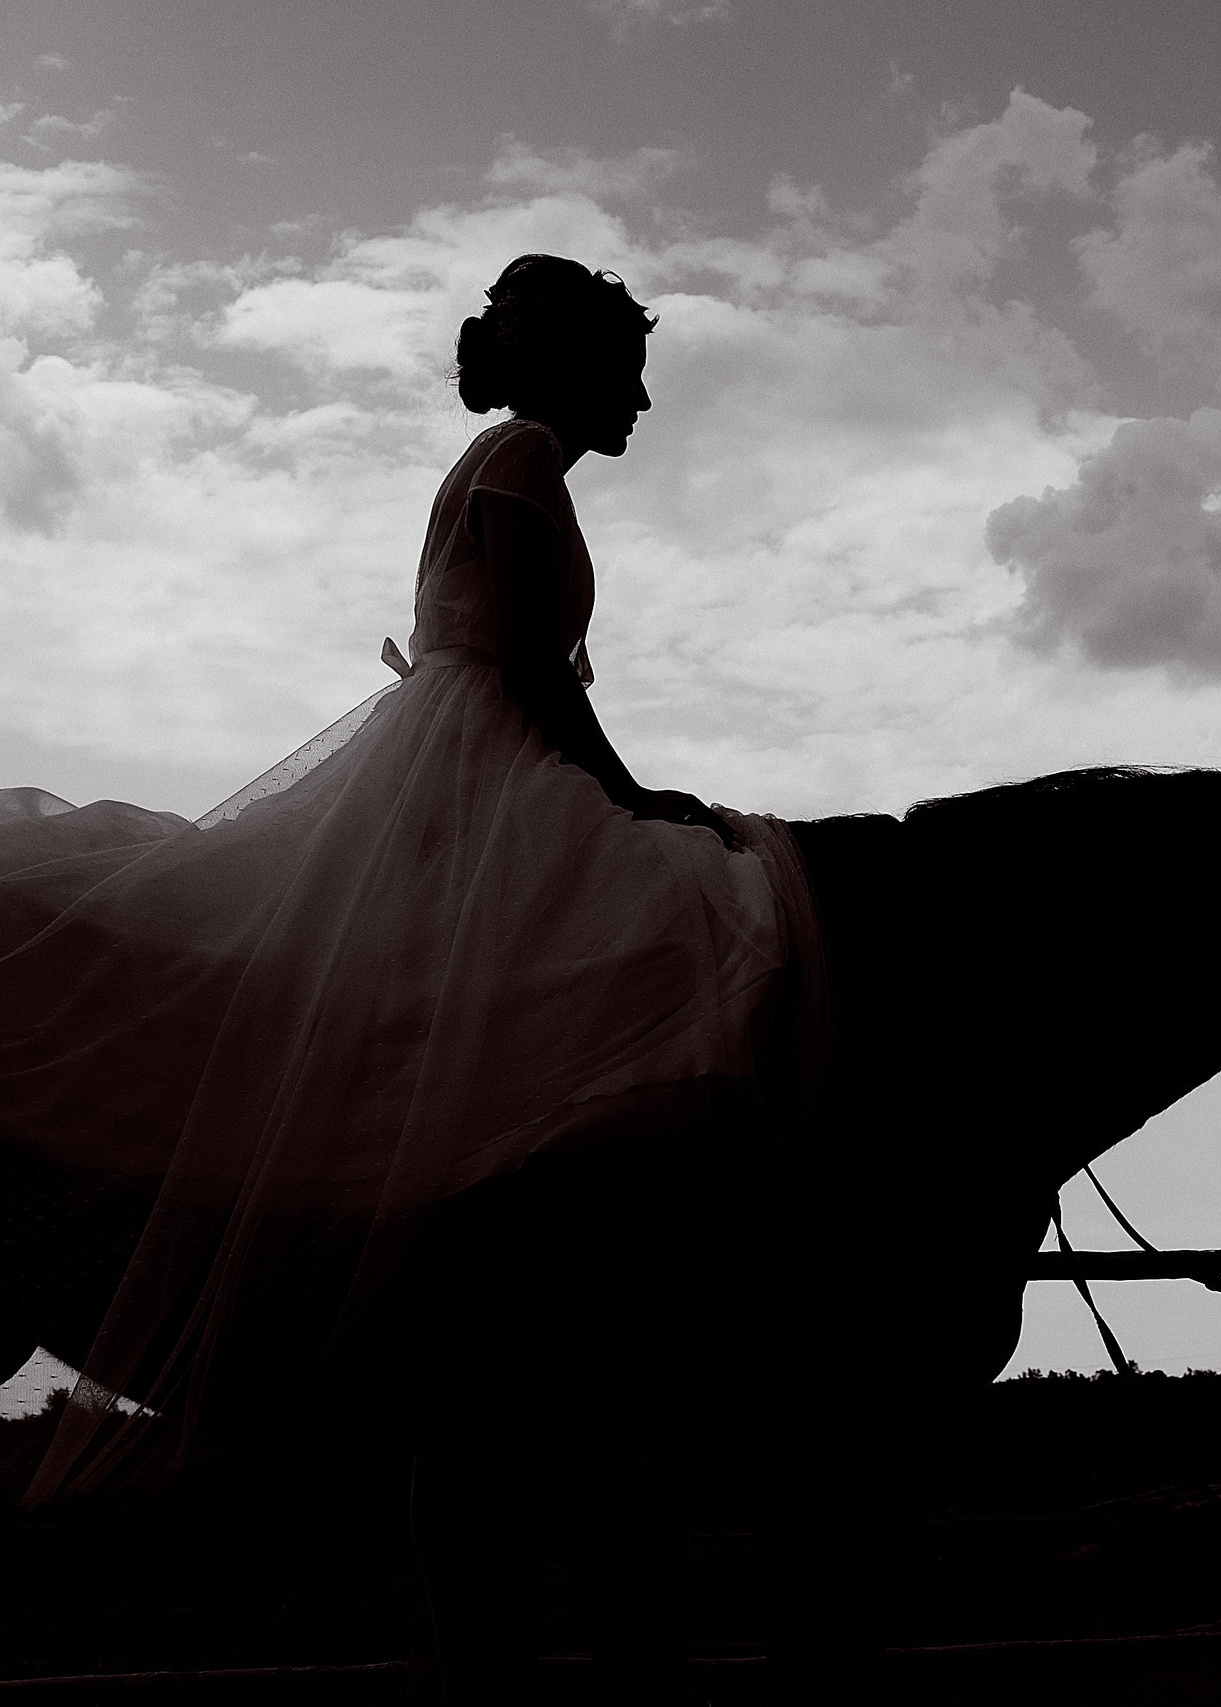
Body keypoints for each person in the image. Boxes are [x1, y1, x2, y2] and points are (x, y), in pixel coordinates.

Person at [0, 254, 823, 1503]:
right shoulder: (525, 460)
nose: (644, 407)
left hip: (467, 746)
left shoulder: (504, 460)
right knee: (670, 934)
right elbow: (537, 677)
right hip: (487, 754)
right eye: (633, 376)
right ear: (580, 368)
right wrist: (637, 798)